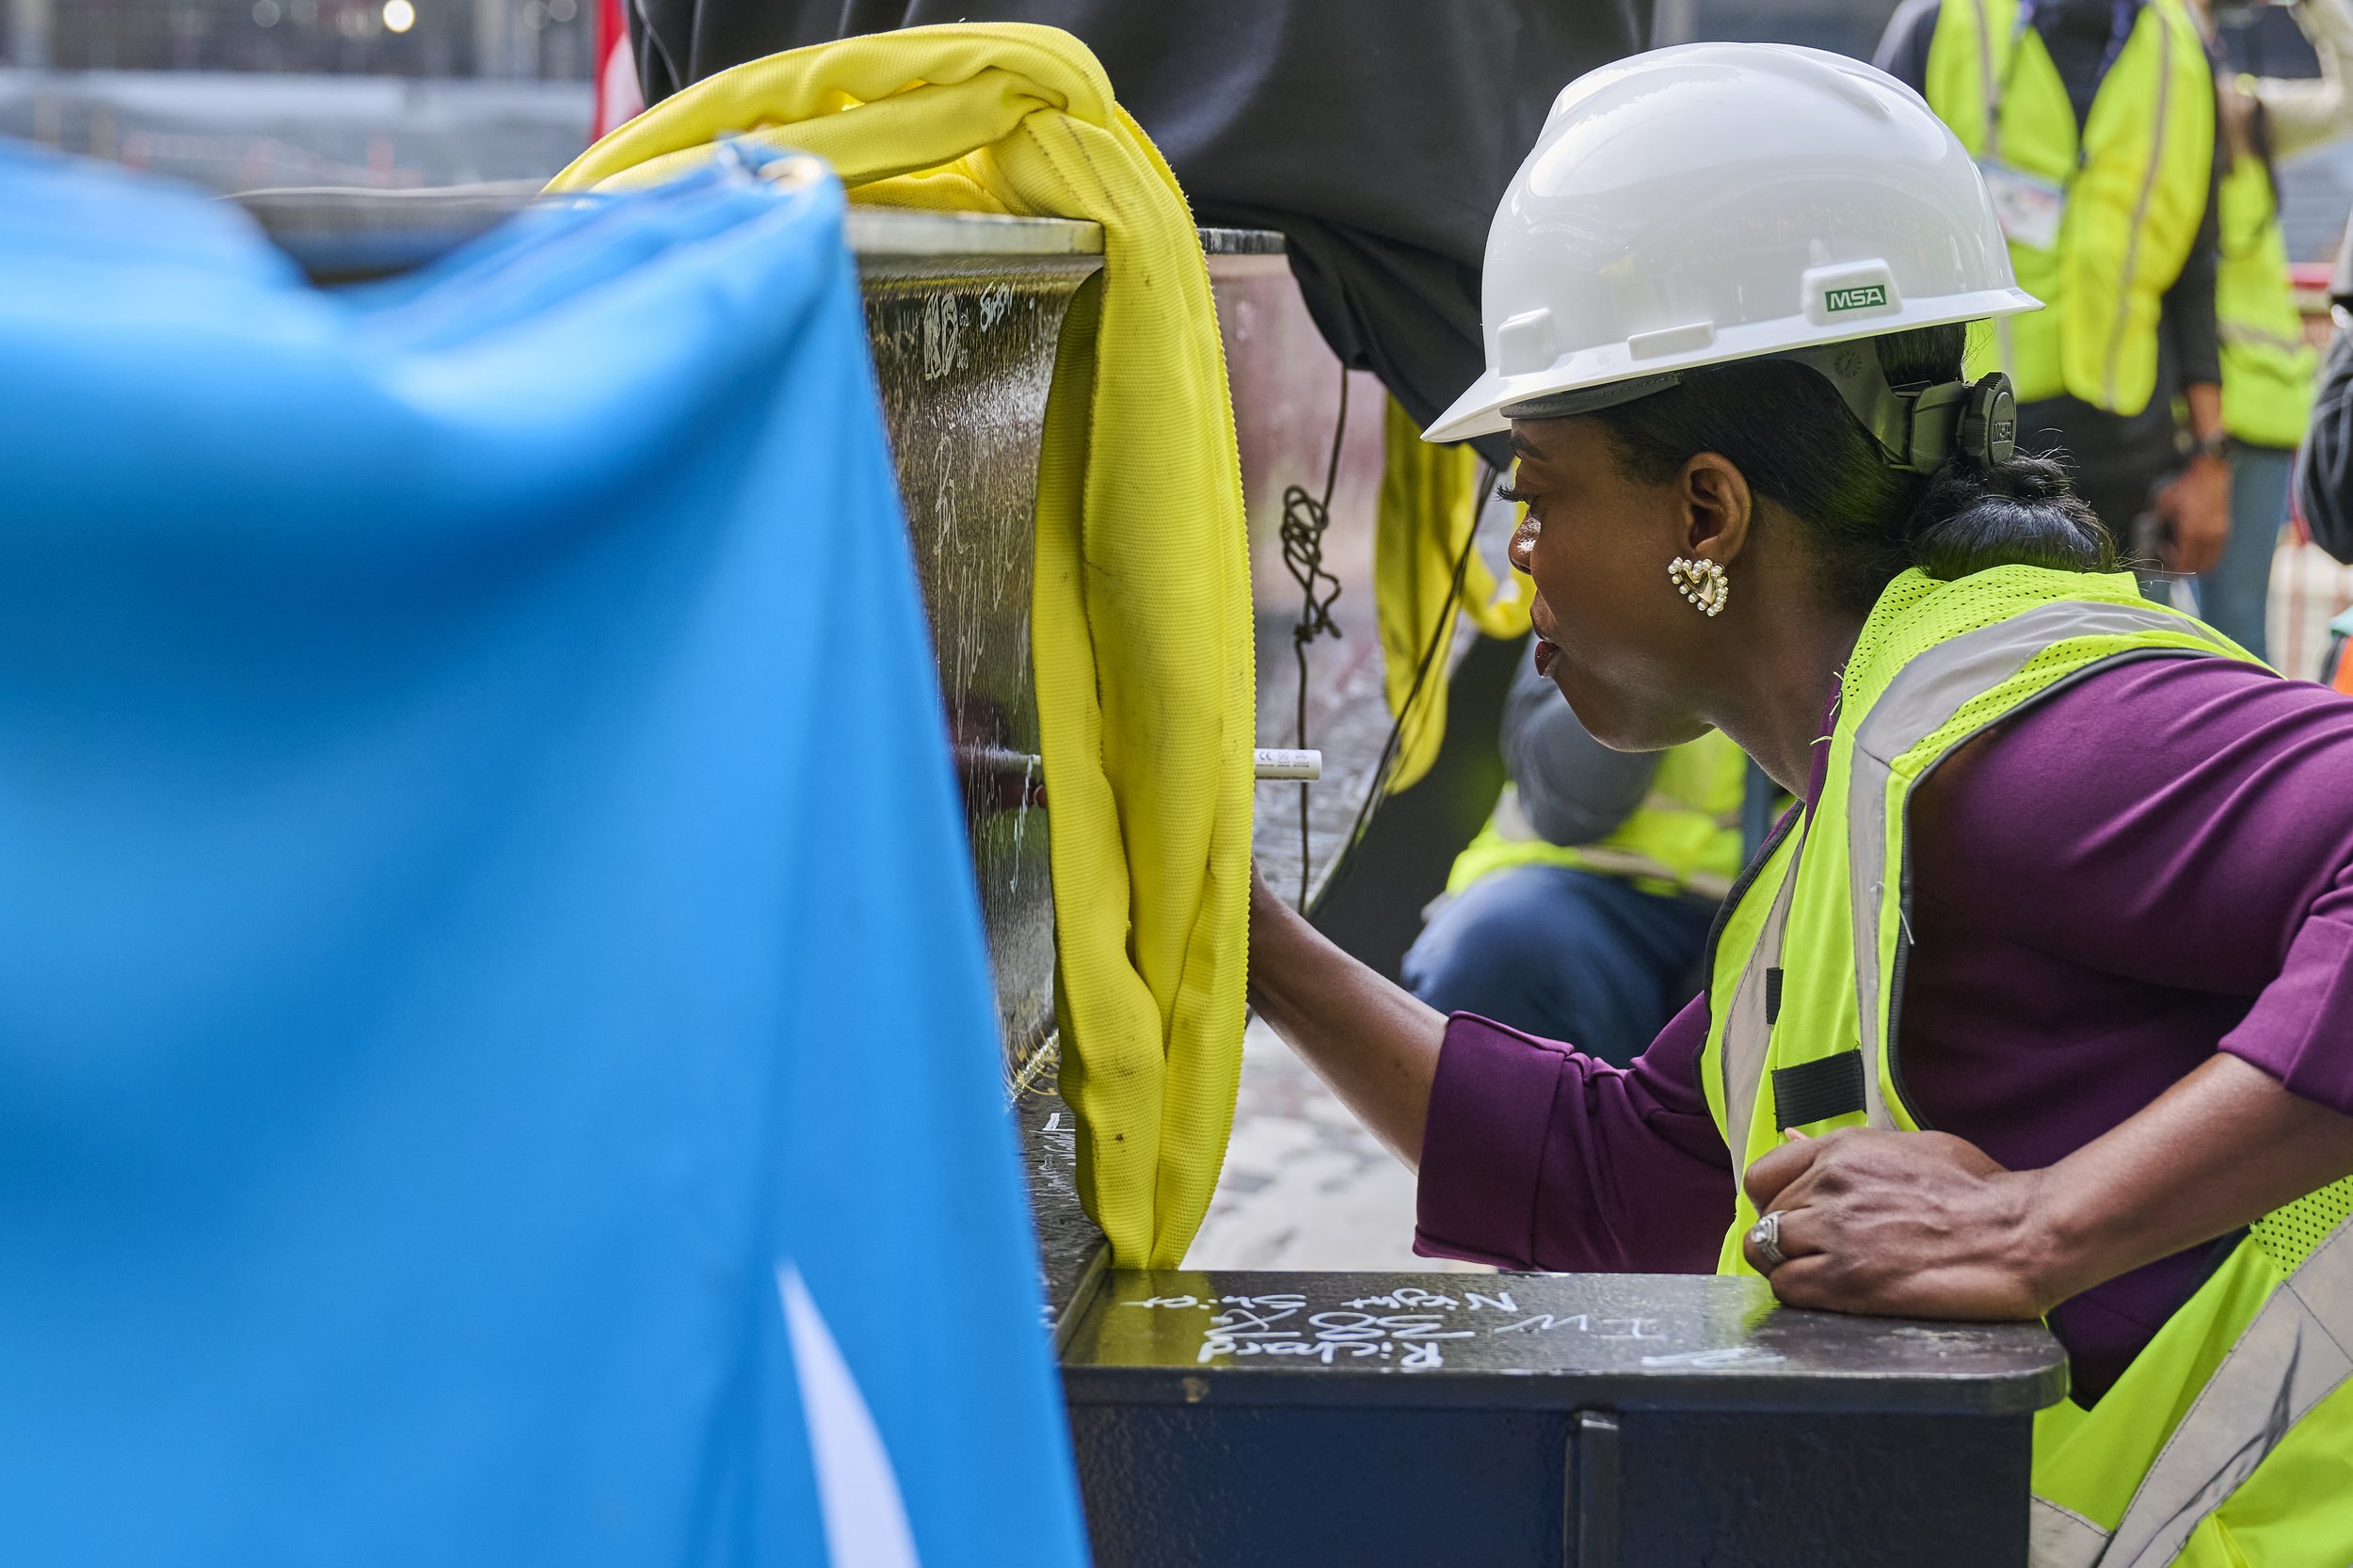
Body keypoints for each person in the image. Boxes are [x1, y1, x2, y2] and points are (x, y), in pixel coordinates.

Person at [1249, 44, 2353, 1562]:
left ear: (1706, 509)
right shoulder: (1872, 796)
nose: (1522, 556)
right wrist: (1245, 943)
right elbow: (1623, 1183)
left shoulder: (2024, 744)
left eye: (1542, 489)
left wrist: (2045, 1224)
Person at [1877, 0, 2235, 602]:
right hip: (1966, 462)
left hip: (2129, 474)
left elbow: (2194, 276)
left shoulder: (2182, 47)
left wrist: (2210, 460)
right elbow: (1874, 230)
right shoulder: (1943, 24)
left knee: (2114, 685)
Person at [1401, 657, 1748, 1065]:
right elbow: (1567, 807)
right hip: (1576, 888)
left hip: (1777, 909)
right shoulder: (1611, 595)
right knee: (1498, 951)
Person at [2186, 0, 2348, 656]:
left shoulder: (2245, 117)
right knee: (2136, 631)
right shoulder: (2124, 113)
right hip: (2150, 416)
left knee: (2237, 633)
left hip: (2252, 412)